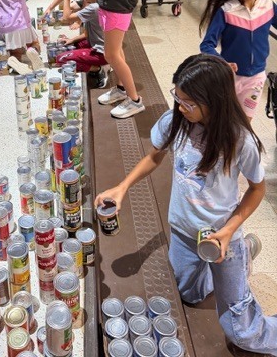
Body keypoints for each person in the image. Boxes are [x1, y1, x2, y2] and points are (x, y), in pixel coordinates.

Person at [95, 54, 277, 355]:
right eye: (177, 97)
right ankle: (240, 259)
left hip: (222, 236)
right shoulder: (175, 121)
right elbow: (154, 156)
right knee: (189, 294)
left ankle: (242, 254)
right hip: (183, 230)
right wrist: (122, 187)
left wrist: (231, 230)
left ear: (214, 101)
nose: (181, 107)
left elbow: (258, 189)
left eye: (189, 103)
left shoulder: (239, 141)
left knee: (241, 333)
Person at [200, 0, 277, 120]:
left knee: (245, 121)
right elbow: (207, 45)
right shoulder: (226, 11)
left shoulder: (269, 7)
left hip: (256, 78)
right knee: (221, 118)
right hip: (229, 77)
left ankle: (237, 145)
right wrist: (222, 63)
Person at [57, 0, 108, 88]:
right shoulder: (100, 4)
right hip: (103, 47)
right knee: (73, 45)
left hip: (101, 53)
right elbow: (87, 34)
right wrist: (71, 40)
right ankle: (99, 64)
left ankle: (99, 69)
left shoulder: (94, 8)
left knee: (61, 59)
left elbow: (66, 18)